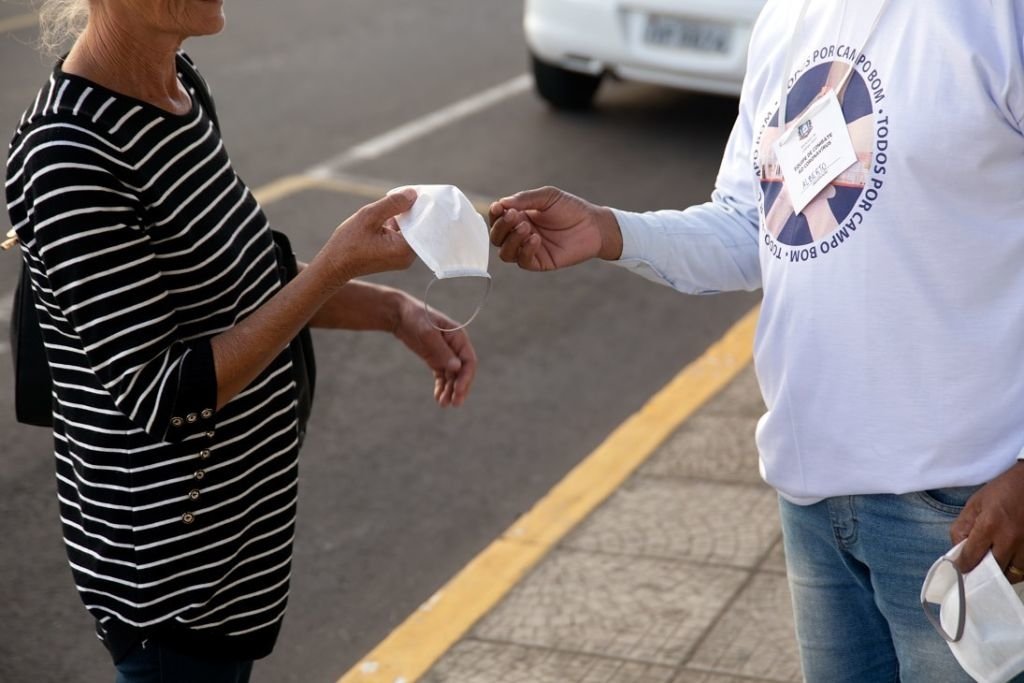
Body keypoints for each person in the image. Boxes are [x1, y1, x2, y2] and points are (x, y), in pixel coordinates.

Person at [490, 1, 1024, 681]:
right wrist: (609, 231)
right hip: (814, 499)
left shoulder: (995, 17)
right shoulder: (787, 16)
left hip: (961, 508)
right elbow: (752, 224)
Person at [5, 0, 477, 681]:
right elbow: (166, 394)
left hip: (236, 553)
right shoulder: (68, 154)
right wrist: (336, 265)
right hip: (172, 581)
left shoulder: (179, 86)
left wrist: (393, 311)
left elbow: (247, 281)